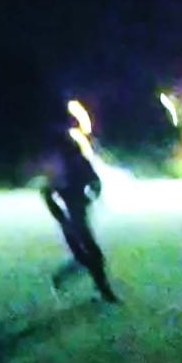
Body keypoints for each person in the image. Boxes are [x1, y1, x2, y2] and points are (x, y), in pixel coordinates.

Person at [42, 128, 121, 304]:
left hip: (76, 215)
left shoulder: (72, 163)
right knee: (91, 254)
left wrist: (89, 198)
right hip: (72, 217)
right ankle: (103, 292)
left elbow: (95, 182)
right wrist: (63, 216)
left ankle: (95, 288)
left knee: (87, 255)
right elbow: (48, 193)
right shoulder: (63, 165)